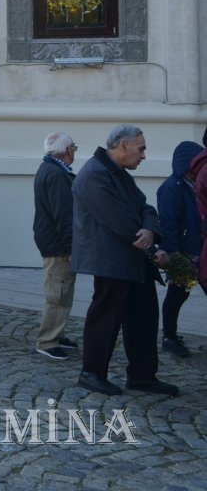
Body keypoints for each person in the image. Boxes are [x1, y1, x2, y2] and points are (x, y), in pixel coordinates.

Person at [72, 124, 177, 396]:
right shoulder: (95, 174)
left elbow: (145, 207)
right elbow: (117, 220)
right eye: (140, 148)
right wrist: (151, 245)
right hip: (111, 261)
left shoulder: (118, 173)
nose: (143, 155)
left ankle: (142, 375)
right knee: (105, 319)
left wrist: (150, 229)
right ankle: (92, 372)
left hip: (132, 260)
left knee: (144, 318)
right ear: (122, 146)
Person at [32, 131, 80, 360]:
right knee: (58, 292)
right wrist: (71, 247)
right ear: (68, 150)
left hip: (52, 239)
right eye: (74, 148)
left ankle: (57, 333)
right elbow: (64, 214)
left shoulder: (49, 168)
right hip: (57, 243)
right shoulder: (57, 174)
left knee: (62, 289)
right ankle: (48, 340)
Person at [157, 141, 206, 358]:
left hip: (199, 251)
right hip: (184, 254)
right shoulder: (171, 188)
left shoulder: (193, 185)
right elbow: (168, 223)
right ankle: (169, 336)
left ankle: (171, 335)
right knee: (178, 294)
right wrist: (175, 256)